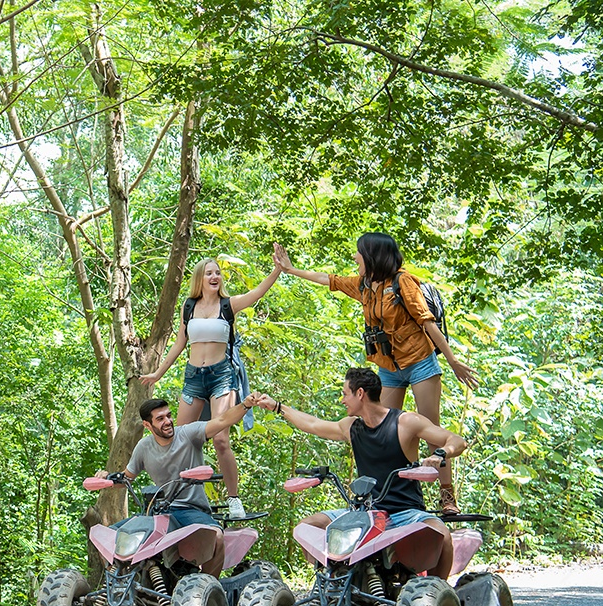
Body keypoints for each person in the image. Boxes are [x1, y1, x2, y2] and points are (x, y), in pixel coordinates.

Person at [273, 234, 478, 515]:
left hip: (419, 362)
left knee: (431, 432)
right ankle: (386, 496)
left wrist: (453, 361)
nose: (355, 258)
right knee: (383, 432)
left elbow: (427, 323)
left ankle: (446, 497)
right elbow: (328, 279)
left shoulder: (403, 283)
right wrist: (290, 269)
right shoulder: (364, 285)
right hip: (389, 367)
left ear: (372, 256)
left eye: (359, 254)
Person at [246, 367, 467, 579]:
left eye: (345, 394)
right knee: (306, 527)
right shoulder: (351, 427)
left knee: (443, 535)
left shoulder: (406, 422)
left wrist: (440, 454)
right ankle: (334, 578)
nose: (342, 400)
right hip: (366, 514)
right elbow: (313, 424)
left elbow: (457, 441)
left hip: (405, 512)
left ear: (360, 393)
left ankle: (438, 593)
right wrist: (277, 407)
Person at [140, 257, 280, 519]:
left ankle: (234, 498)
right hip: (193, 377)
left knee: (220, 439)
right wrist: (158, 373)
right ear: (200, 279)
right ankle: (177, 499)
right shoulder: (189, 306)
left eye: (217, 273)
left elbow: (257, 293)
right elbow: (179, 343)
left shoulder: (228, 305)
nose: (214, 277)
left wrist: (277, 269)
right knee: (178, 441)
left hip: (221, 376)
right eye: (209, 273)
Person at [96, 395, 259, 577]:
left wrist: (246, 405)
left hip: (190, 509)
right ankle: (123, 585)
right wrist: (107, 477)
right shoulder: (143, 447)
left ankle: (207, 589)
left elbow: (222, 420)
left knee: (216, 536)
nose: (167, 422)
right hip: (159, 513)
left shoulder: (188, 434)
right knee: (108, 538)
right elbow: (126, 478)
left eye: (168, 416)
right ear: (147, 425)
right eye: (160, 419)